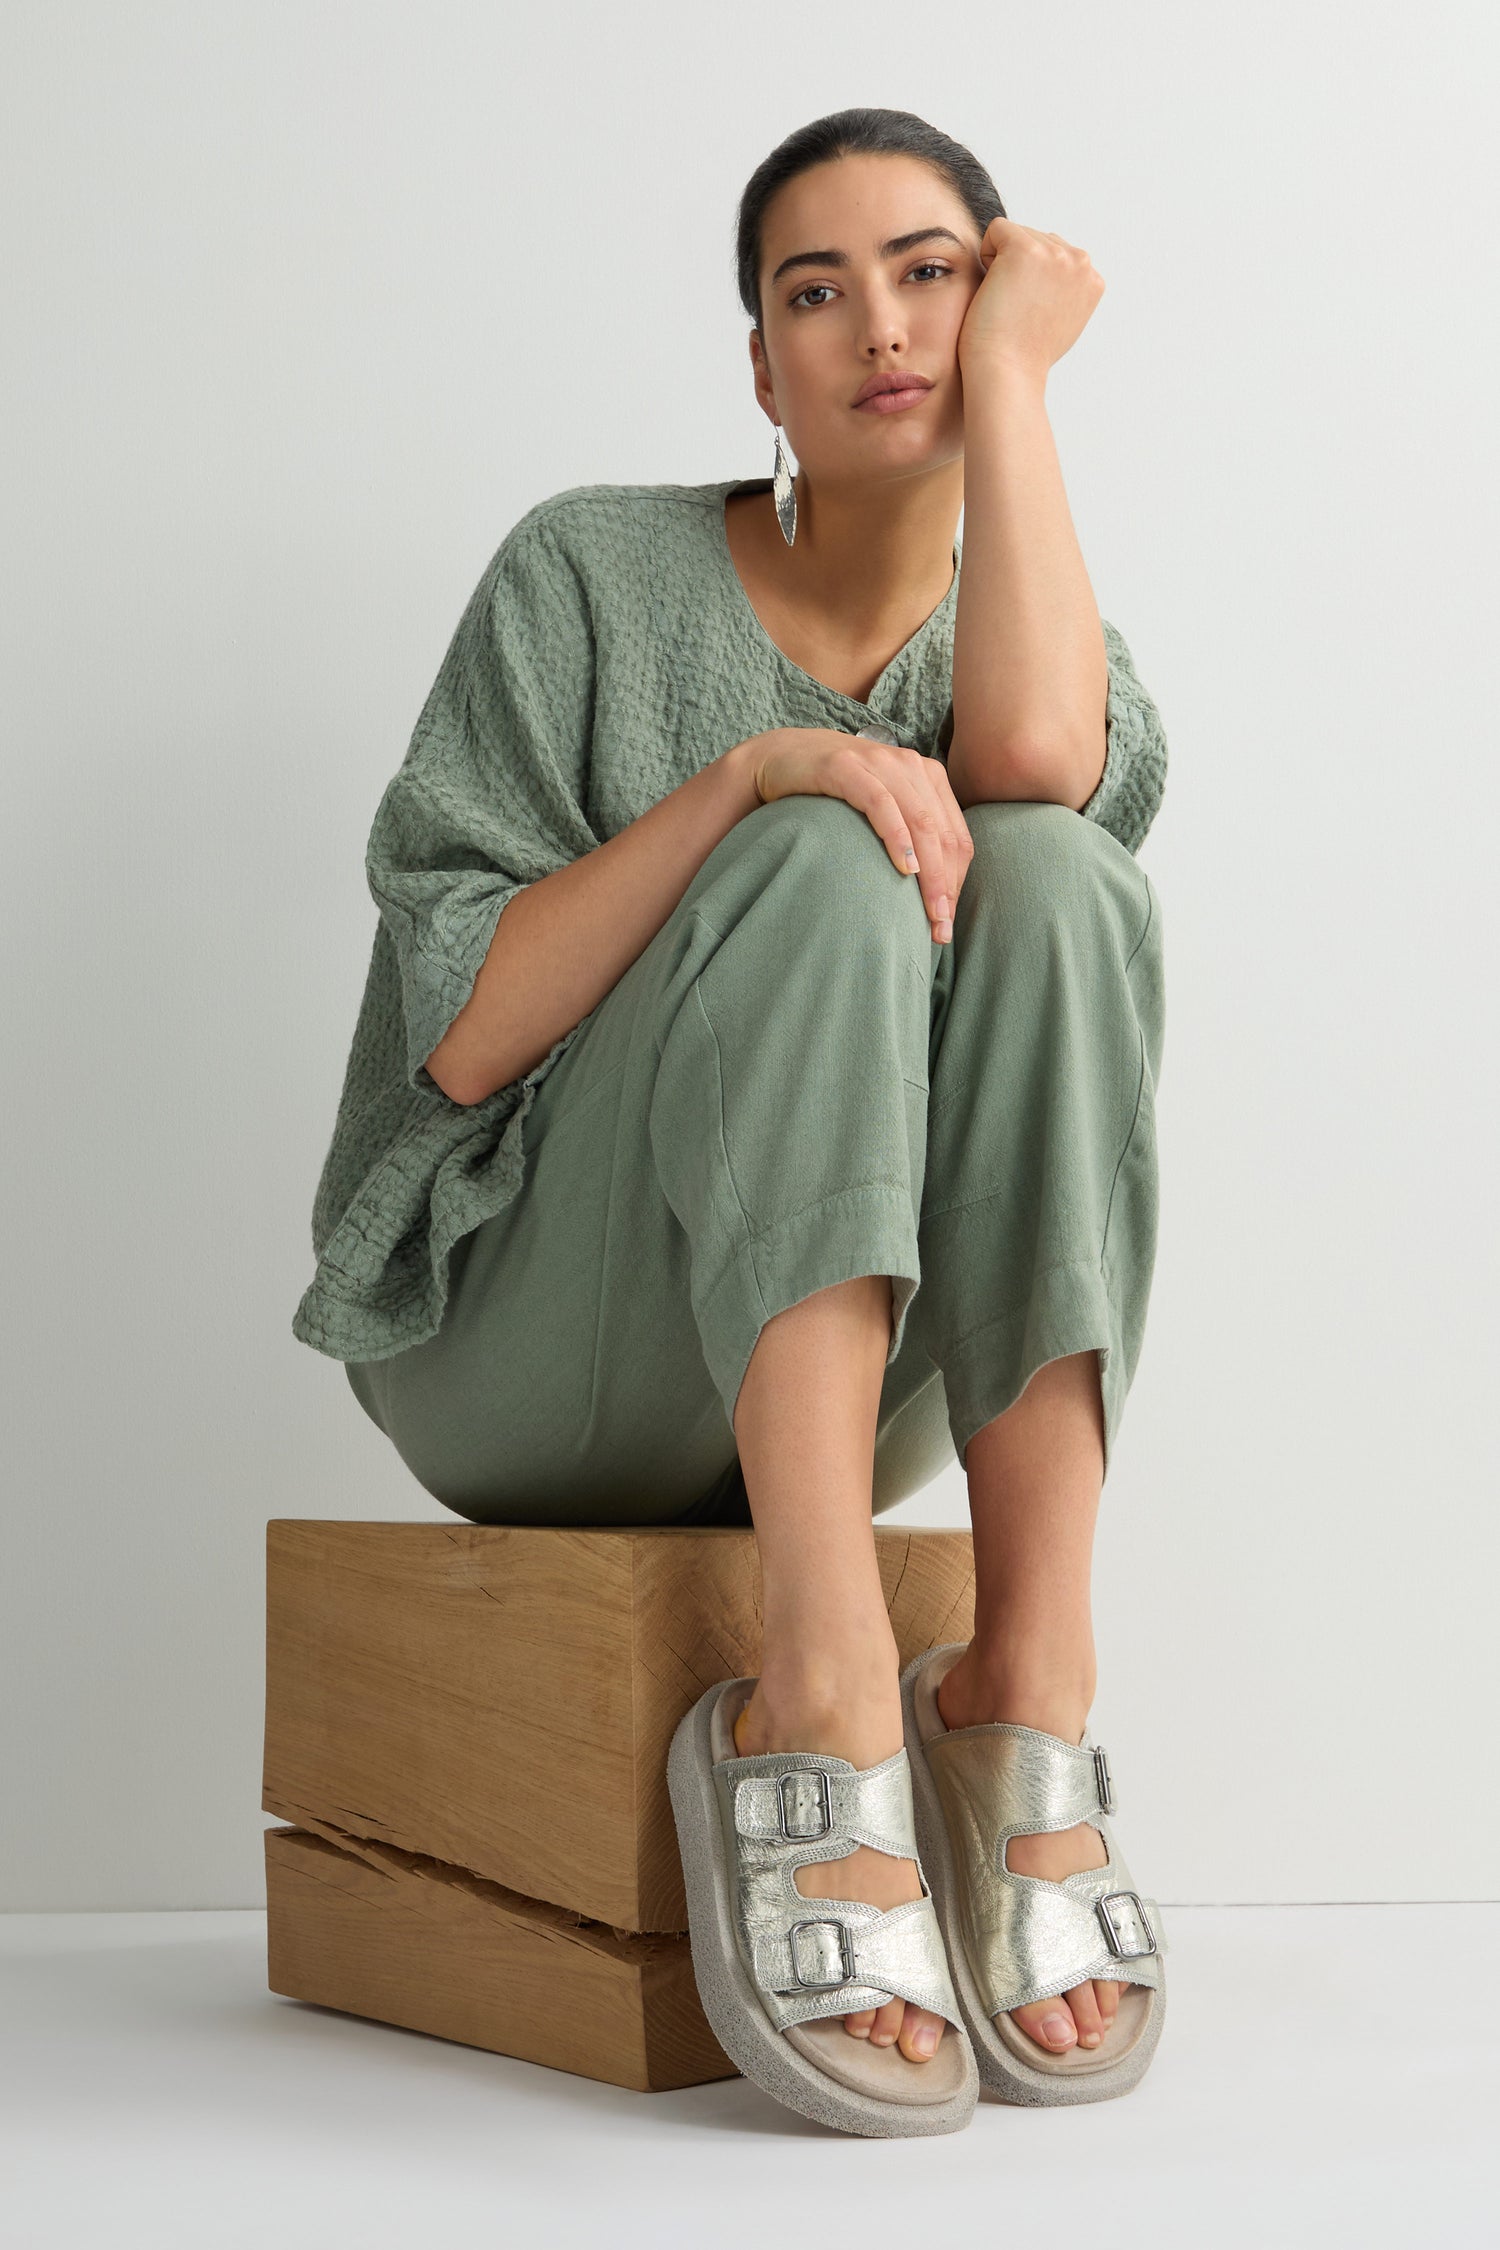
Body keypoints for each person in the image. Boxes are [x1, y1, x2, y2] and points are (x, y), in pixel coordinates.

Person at [292, 107, 1168, 2088]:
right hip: (532, 1341)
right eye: (814, 288)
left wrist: (1014, 388)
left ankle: (1023, 1688)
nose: (881, 323)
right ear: (760, 364)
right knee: (814, 849)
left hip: (858, 1396)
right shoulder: (588, 574)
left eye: (935, 272)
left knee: (1059, 867)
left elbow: (1036, 762)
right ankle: (825, 1691)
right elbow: (465, 1039)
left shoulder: (1051, 639)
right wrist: (749, 787)